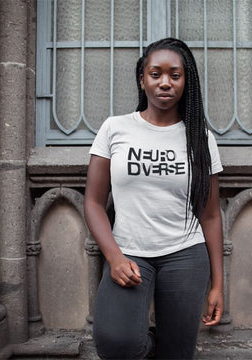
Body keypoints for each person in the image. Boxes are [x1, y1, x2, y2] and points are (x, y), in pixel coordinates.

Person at [84, 37, 224, 359]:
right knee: (115, 342)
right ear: (142, 79)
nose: (165, 83)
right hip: (129, 253)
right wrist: (114, 257)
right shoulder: (115, 128)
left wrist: (218, 284)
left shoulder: (201, 139)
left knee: (177, 352)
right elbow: (93, 202)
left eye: (175, 75)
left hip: (185, 254)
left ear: (186, 82)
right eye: (156, 73)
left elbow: (211, 215)